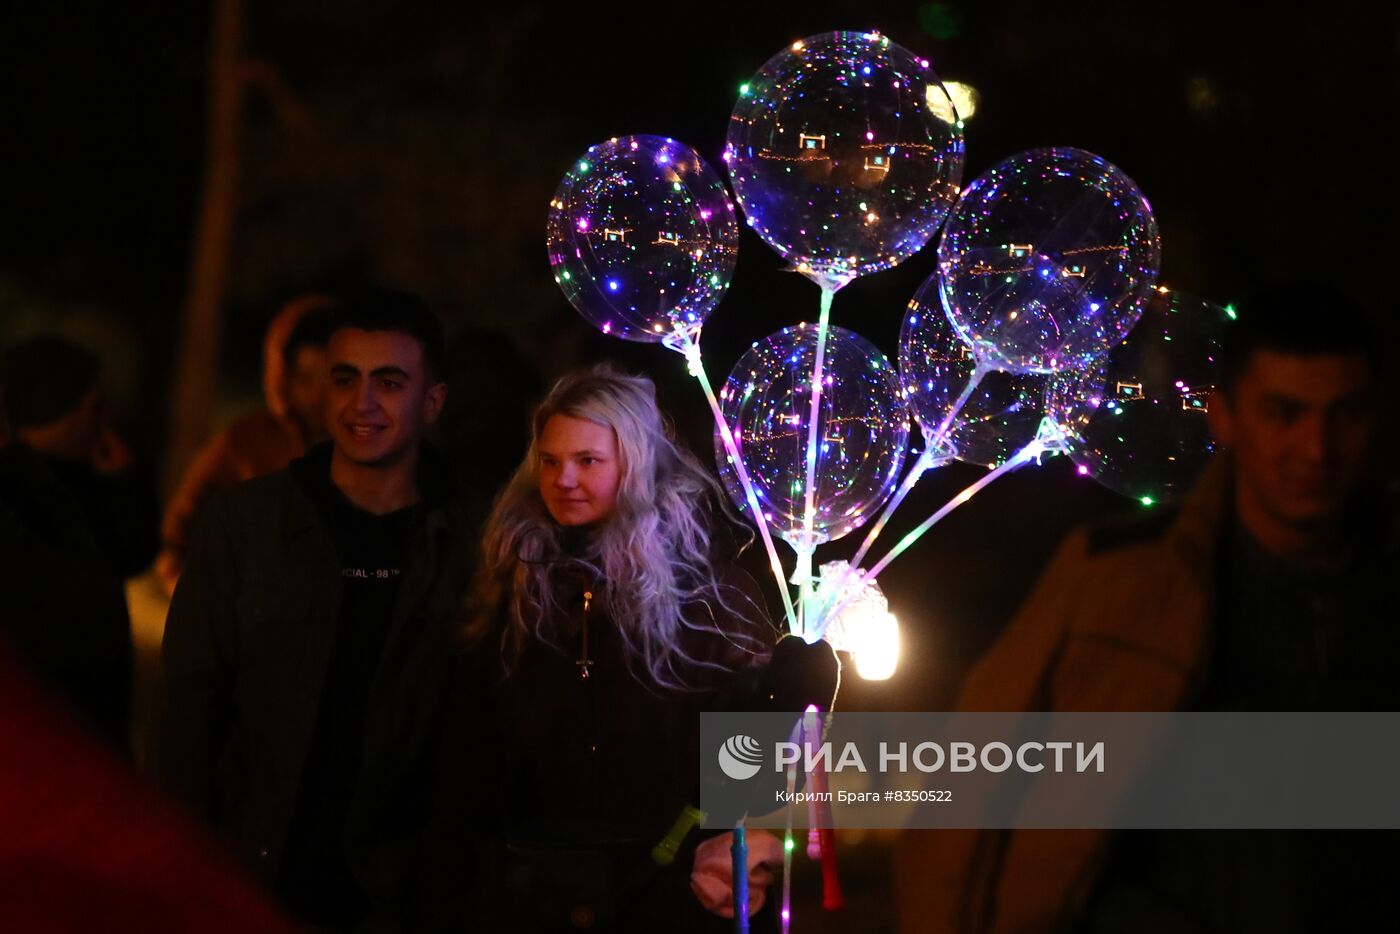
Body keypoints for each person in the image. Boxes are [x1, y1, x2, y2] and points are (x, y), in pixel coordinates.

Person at [895, 285, 1397, 933]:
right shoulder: (1113, 577)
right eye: (1283, 413)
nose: (1316, 449)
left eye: (1344, 416)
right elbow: (968, 796)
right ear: (1225, 417)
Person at [420, 365, 836, 932]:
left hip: (669, 889)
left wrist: (740, 825)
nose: (564, 479)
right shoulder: (511, 586)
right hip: (534, 893)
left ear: (635, 464)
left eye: (588, 460)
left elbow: (756, 749)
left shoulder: (706, 594)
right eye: (550, 461)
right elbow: (471, 753)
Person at [151, 288, 468, 931]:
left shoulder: (471, 544)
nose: (362, 403)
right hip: (249, 876)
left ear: (433, 401)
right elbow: (187, 709)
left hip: (393, 897)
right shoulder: (246, 524)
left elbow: (473, 742)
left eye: (389, 383)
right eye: (344, 379)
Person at [0, 336, 157, 750]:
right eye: (95, 409)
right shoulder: (24, 491)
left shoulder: (90, 474)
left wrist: (125, 483)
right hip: (49, 726)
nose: (103, 424)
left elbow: (134, 552)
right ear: (61, 410)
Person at [156, 294, 337, 595]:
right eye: (305, 379)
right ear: (282, 374)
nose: (317, 396)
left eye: (331, 379)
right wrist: (193, 592)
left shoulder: (366, 450)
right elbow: (178, 533)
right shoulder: (244, 442)